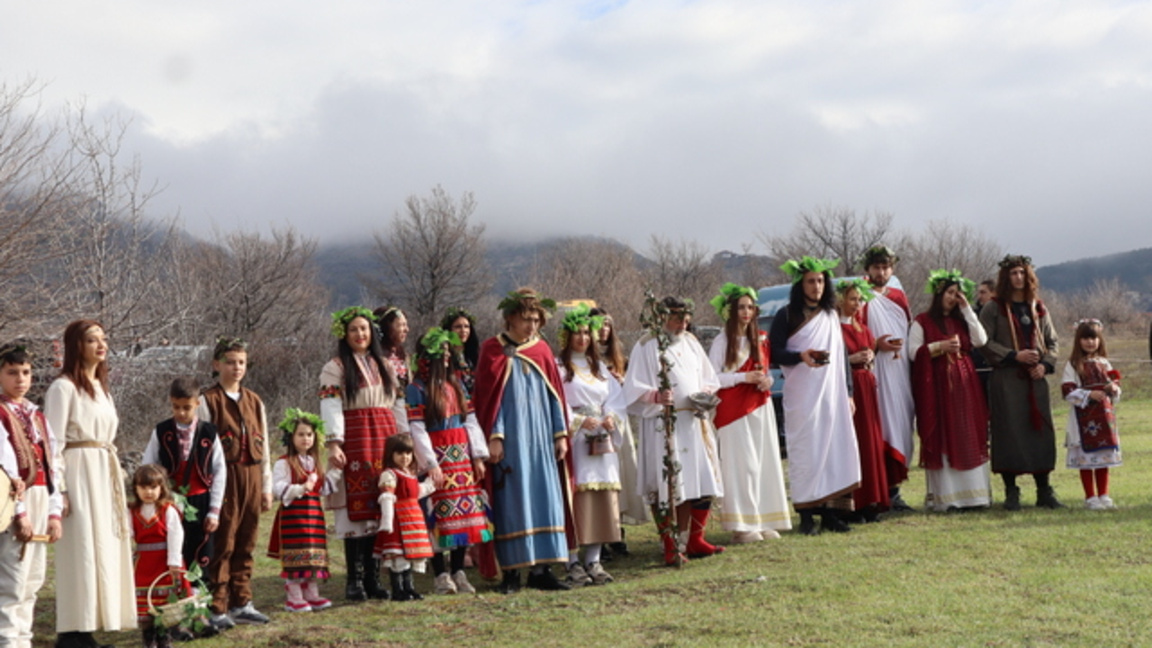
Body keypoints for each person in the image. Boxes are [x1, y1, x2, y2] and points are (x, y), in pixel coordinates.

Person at [472, 288, 575, 593]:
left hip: (542, 439)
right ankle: (513, 571)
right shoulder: (493, 350)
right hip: (513, 441)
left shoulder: (541, 350)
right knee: (514, 502)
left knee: (545, 499)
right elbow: (492, 401)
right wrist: (495, 436)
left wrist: (560, 434)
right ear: (510, 318)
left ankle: (542, 570)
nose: (532, 326)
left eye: (536, 319)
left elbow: (555, 396)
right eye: (526, 319)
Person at [44, 320, 136, 648]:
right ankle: (71, 631)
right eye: (92, 340)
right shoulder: (63, 388)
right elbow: (51, 444)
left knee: (102, 548)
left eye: (104, 339)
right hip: (78, 473)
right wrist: (61, 490)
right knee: (81, 548)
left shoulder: (100, 387)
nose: (102, 345)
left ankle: (89, 627)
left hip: (102, 470)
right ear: (76, 346)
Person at [623, 296, 725, 565]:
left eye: (686, 318)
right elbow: (631, 387)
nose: (683, 323)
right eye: (677, 318)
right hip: (663, 425)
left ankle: (694, 539)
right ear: (662, 316)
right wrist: (655, 396)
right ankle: (669, 543)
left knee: (702, 480)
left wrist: (704, 393)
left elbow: (709, 378)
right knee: (666, 483)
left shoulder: (691, 342)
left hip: (693, 420)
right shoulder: (647, 344)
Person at [320, 307, 408, 601]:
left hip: (383, 438)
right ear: (345, 335)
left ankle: (373, 578)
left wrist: (403, 440)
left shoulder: (384, 365)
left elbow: (397, 404)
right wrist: (334, 442)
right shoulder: (336, 367)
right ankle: (354, 580)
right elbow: (331, 406)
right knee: (355, 511)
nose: (360, 334)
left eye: (365, 329)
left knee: (379, 506)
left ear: (373, 333)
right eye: (354, 329)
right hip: (356, 438)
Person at [769, 258, 861, 535]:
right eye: (811, 281)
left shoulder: (831, 315)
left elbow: (843, 357)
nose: (816, 286)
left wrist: (848, 392)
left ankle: (832, 513)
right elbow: (774, 353)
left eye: (821, 281)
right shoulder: (786, 315)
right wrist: (801, 357)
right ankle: (807, 514)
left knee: (833, 449)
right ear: (801, 284)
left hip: (832, 395)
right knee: (805, 452)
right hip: (802, 396)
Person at [406, 327, 490, 596]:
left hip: (461, 457)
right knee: (437, 514)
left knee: (463, 513)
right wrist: (430, 463)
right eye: (437, 353)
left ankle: (459, 571)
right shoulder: (417, 388)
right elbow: (417, 427)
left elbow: (471, 420)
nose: (443, 357)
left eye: (446, 352)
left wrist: (477, 455)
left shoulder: (457, 385)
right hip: (437, 457)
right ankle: (440, 572)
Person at [197, 337, 273, 628]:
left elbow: (263, 447)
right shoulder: (207, 401)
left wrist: (266, 487)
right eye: (230, 362)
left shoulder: (255, 401)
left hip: (251, 477)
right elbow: (200, 451)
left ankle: (242, 601)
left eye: (241, 362)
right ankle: (217, 605)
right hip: (224, 481)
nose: (236, 367)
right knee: (223, 541)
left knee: (247, 538)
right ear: (217, 365)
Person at [706, 284, 791, 541]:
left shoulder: (761, 339)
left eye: (750, 307)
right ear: (731, 312)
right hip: (734, 410)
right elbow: (711, 378)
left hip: (759, 406)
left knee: (764, 463)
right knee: (743, 467)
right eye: (741, 307)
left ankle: (764, 518)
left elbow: (766, 372)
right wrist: (743, 377)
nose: (746, 312)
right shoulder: (722, 341)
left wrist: (766, 381)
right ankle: (742, 526)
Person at [978, 255, 1062, 510]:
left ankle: (1043, 490)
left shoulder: (1037, 307)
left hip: (1034, 381)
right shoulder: (993, 308)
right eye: (1014, 273)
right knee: (1008, 433)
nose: (1018, 278)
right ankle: (1011, 492)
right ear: (1006, 277)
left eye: (1022, 273)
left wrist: (1044, 364)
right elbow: (983, 342)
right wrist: (1014, 355)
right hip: (1006, 380)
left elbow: (1053, 342)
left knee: (1040, 432)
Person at [909, 271, 991, 512]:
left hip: (965, 388)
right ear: (939, 294)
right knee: (944, 434)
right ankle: (949, 498)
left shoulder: (962, 320)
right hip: (937, 388)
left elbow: (981, 340)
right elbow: (913, 352)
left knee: (968, 432)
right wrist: (938, 347)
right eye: (950, 293)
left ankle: (975, 497)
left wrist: (967, 310)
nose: (954, 297)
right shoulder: (922, 321)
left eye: (958, 293)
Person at [0, 344, 63, 648]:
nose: (20, 379)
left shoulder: (37, 415)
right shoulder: (0, 414)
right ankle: (9, 642)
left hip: (41, 496)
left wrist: (54, 512)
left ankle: (24, 640)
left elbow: (53, 466)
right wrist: (20, 513)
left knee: (34, 579)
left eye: (25, 372)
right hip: (12, 502)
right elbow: (7, 467)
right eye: (12, 372)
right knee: (12, 578)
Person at [556, 305, 624, 585]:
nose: (583, 339)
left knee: (601, 499)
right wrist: (577, 421)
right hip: (577, 441)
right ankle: (573, 561)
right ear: (568, 337)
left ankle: (594, 560)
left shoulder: (600, 370)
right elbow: (557, 402)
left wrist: (611, 417)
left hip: (602, 443)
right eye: (577, 333)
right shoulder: (560, 369)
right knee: (576, 499)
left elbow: (616, 399)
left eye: (587, 333)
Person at [141, 377, 225, 573]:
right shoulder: (162, 431)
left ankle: (198, 598)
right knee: (172, 548)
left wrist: (214, 510)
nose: (181, 412)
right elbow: (148, 465)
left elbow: (220, 470)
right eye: (176, 406)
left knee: (200, 551)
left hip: (201, 502)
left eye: (187, 407)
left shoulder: (209, 433)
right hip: (169, 502)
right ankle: (173, 594)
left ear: (197, 403)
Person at [857, 245, 916, 510]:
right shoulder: (860, 295)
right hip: (875, 371)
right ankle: (881, 492)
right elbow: (854, 331)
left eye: (886, 267)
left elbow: (910, 330)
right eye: (876, 267)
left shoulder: (898, 297)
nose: (881, 272)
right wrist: (876, 344)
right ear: (868, 269)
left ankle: (895, 491)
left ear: (892, 269)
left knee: (902, 426)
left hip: (900, 371)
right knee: (880, 428)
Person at [267, 409, 340, 612]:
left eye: (309, 434)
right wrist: (300, 488)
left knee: (312, 553)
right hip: (294, 517)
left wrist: (336, 472)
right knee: (296, 553)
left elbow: (323, 488)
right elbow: (278, 488)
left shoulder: (315, 463)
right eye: (301, 434)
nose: (306, 438)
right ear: (291, 437)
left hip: (314, 517)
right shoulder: (284, 462)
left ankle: (311, 593)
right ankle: (294, 594)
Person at [589, 306, 646, 554]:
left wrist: (623, 384)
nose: (603, 329)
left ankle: (618, 532)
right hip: (594, 426)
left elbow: (633, 393)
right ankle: (601, 536)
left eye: (607, 324)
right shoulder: (583, 359)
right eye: (599, 324)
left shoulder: (619, 358)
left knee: (622, 476)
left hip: (618, 425)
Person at [835, 279, 891, 521]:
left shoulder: (863, 328)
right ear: (841, 300)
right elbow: (832, 363)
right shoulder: (834, 328)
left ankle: (872, 500)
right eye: (852, 299)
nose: (857, 304)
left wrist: (870, 355)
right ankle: (853, 503)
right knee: (855, 443)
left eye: (859, 299)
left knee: (871, 442)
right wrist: (851, 359)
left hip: (867, 387)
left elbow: (869, 350)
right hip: (849, 390)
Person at [1061, 320, 1121, 510]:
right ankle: (1090, 496)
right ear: (1078, 340)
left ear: (1099, 339)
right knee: (1086, 460)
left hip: (1104, 418)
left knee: (1103, 457)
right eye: (1085, 338)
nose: (1090, 342)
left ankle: (1104, 494)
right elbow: (1067, 390)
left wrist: (1113, 388)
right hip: (1083, 420)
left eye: (1093, 337)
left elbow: (1115, 386)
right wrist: (1088, 394)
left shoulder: (1104, 363)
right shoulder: (1072, 365)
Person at [129, 464, 190, 648]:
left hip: (164, 562)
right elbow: (127, 534)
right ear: (136, 489)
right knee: (145, 601)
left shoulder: (167, 510)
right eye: (144, 487)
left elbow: (175, 535)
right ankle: (148, 637)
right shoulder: (132, 512)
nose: (148, 492)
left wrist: (174, 561)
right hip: (144, 563)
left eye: (153, 487)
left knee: (165, 603)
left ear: (161, 488)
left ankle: (164, 637)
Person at [374, 433, 434, 601]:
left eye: (408, 453)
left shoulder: (410, 474)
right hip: (398, 520)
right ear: (391, 454)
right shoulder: (390, 474)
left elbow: (416, 492)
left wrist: (430, 484)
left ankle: (409, 587)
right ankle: (397, 589)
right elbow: (387, 496)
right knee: (398, 556)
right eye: (400, 453)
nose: (405, 457)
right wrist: (387, 521)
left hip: (413, 518)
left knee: (411, 555)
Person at [440, 308, 480, 396]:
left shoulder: (474, 354)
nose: (463, 330)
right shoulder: (443, 354)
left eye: (466, 326)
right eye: (458, 327)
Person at [375, 306, 411, 390]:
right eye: (401, 325)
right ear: (386, 327)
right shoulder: (375, 357)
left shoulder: (403, 356)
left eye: (406, 325)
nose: (406, 329)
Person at [972, 280, 996, 395]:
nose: (979, 296)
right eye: (979, 293)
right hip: (977, 369)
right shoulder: (973, 315)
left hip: (995, 369)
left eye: (983, 293)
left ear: (993, 293)